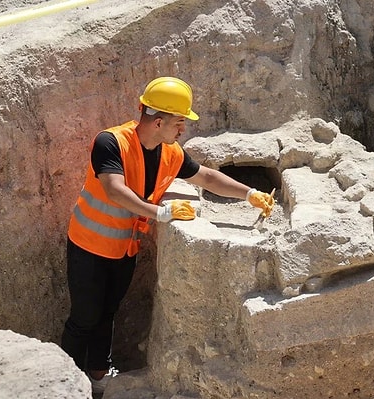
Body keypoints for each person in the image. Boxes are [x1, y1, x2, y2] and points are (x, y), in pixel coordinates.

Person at [60, 76, 275, 394]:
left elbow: (208, 178)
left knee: (108, 312)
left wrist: (250, 193)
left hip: (124, 250)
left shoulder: (169, 152)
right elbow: (114, 190)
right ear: (158, 121)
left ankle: (99, 374)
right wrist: (160, 212)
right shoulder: (111, 142)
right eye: (179, 121)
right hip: (89, 248)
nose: (183, 128)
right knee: (84, 318)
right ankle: (65, 380)